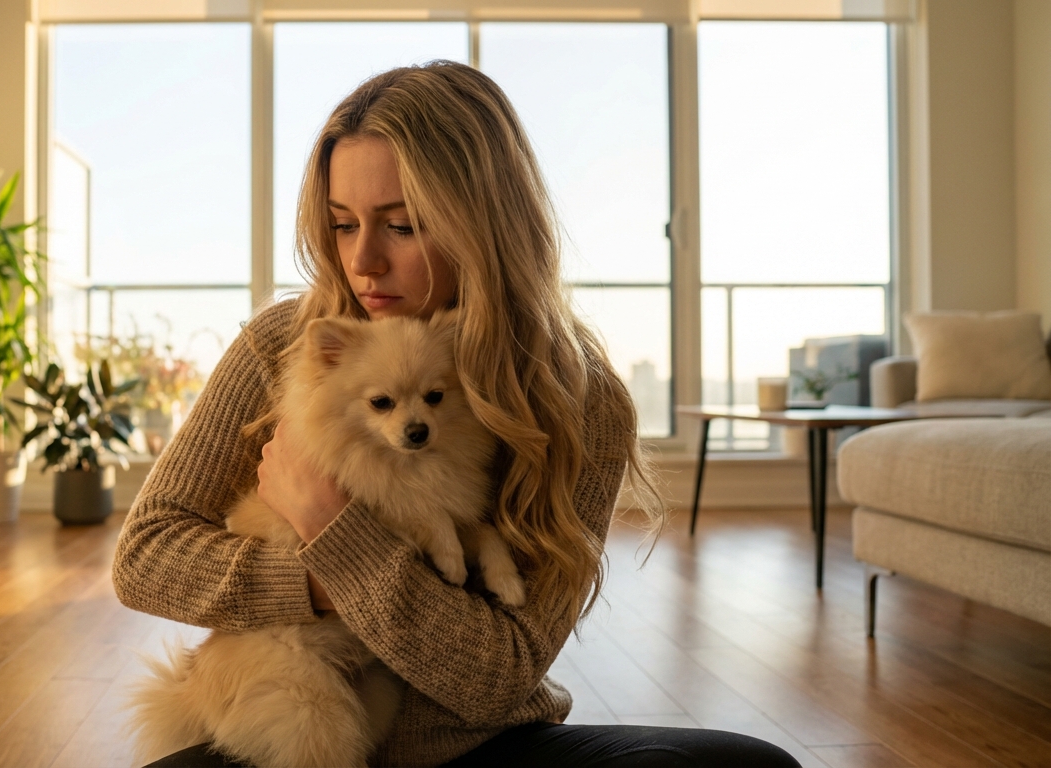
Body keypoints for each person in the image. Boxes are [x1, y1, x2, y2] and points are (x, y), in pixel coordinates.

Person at [112, 61, 801, 768]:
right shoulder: (287, 346)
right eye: (342, 225)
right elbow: (146, 559)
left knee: (749, 767)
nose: (362, 261)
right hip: (295, 722)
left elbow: (497, 679)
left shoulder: (581, 402)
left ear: (486, 223)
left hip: (484, 747)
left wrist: (331, 527)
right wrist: (315, 582)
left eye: (402, 226)